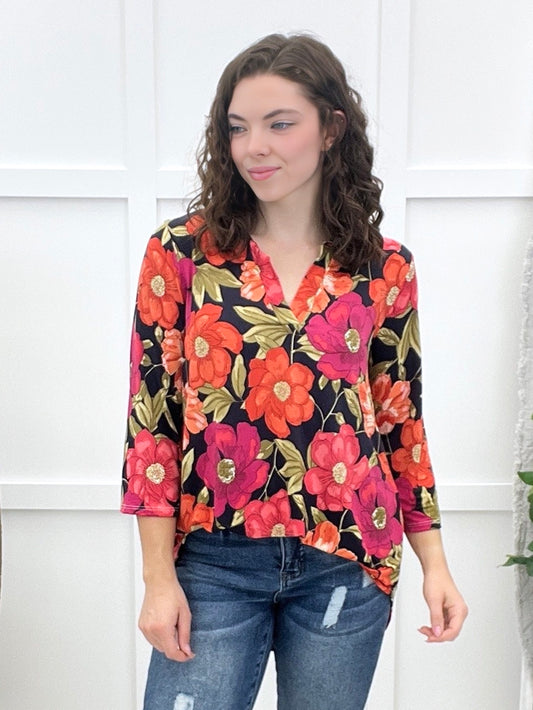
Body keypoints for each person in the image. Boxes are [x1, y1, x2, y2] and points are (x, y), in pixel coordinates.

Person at [121, 33, 468, 710]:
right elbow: (151, 424)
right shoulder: (182, 253)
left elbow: (399, 421)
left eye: (279, 124)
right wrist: (158, 579)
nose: (254, 146)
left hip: (345, 559)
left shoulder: (384, 265)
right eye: (238, 127)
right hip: (214, 561)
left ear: (331, 129)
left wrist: (436, 565)